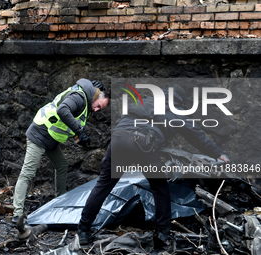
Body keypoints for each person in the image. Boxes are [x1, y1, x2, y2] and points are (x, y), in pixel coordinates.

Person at [77, 85, 229, 247]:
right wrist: (218, 154)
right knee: (159, 187)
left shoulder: (143, 102)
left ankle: (83, 232)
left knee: (103, 186)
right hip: (143, 143)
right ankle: (163, 234)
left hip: (118, 140)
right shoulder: (175, 111)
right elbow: (195, 134)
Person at [12, 78, 109, 224]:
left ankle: (59, 203)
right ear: (94, 97)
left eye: (99, 110)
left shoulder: (86, 104)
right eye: (98, 106)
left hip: (51, 139)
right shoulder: (79, 97)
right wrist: (79, 131)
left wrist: (80, 137)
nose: (96, 110)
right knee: (28, 172)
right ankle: (17, 214)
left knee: (62, 164)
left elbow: (69, 123)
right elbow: (62, 110)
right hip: (39, 133)